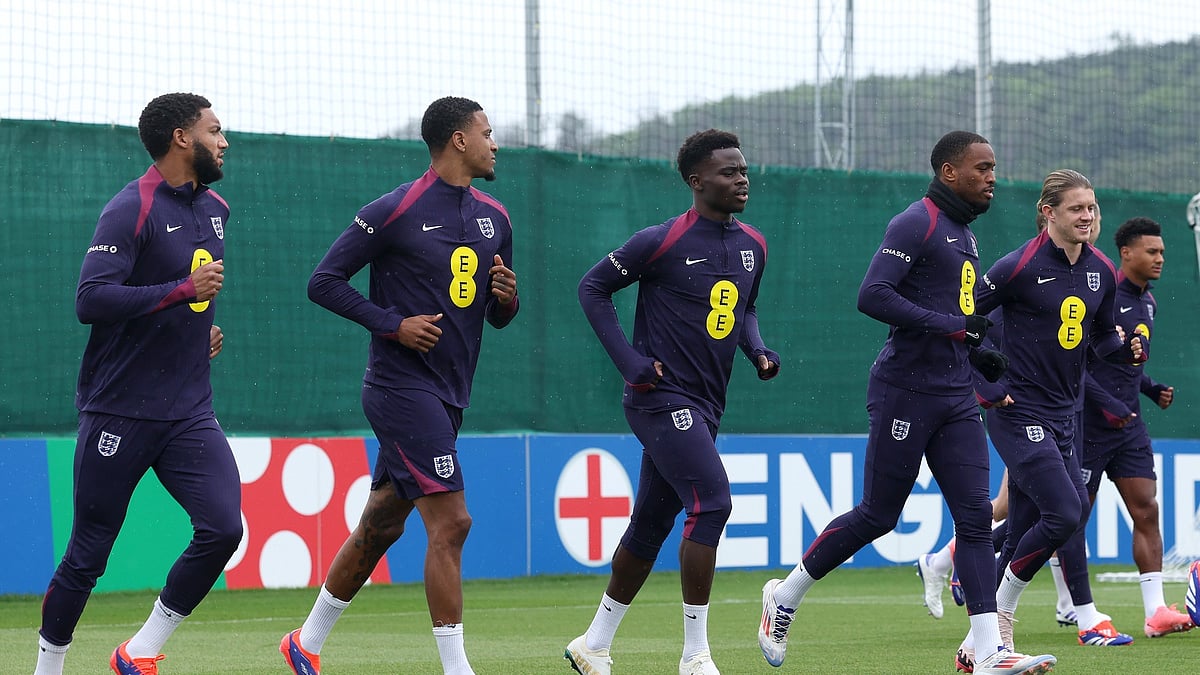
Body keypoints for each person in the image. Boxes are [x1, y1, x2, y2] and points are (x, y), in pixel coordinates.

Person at [756, 130, 1056, 675]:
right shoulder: (916, 222)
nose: (992, 177)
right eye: (982, 167)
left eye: (993, 167)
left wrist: (979, 351)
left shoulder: (964, 234)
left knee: (974, 518)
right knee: (878, 515)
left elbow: (954, 313)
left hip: (956, 396)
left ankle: (988, 651)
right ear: (948, 172)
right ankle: (785, 595)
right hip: (904, 392)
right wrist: (954, 328)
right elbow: (872, 295)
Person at [280, 96, 519, 675]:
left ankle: (304, 643)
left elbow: (498, 316)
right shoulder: (395, 208)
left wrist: (507, 301)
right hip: (399, 388)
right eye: (486, 132)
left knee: (383, 523)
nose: (494, 144)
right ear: (458, 140)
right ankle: (457, 669)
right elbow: (323, 282)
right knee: (453, 522)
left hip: (450, 392)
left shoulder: (496, 216)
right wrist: (393, 325)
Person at [33, 93, 238, 675]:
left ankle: (140, 651)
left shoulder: (218, 208)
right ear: (181, 138)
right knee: (87, 556)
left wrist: (196, 329)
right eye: (215, 130)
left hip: (189, 410)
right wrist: (182, 293)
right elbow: (91, 300)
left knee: (224, 529)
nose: (224, 141)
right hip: (120, 410)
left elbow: (183, 297)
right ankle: (48, 669)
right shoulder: (131, 207)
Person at [564, 129, 779, 675]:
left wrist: (756, 349)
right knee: (713, 503)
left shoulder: (753, 245)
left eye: (743, 170)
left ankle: (593, 644)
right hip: (658, 398)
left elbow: (744, 309)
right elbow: (592, 288)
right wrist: (630, 362)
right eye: (729, 172)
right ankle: (695, 655)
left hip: (707, 402)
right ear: (696, 180)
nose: (742, 179)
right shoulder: (661, 240)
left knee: (650, 525)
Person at [954, 169, 1145, 665]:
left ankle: (976, 649)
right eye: (1076, 208)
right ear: (1048, 212)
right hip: (1018, 411)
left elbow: (1099, 339)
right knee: (1066, 511)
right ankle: (1001, 615)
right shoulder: (1017, 265)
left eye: (1091, 207)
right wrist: (986, 386)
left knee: (1022, 530)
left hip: (1066, 415)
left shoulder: (1102, 270)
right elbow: (966, 322)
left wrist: (1126, 349)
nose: (1087, 216)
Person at [1080, 216, 1193, 638]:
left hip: (1128, 426)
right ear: (1126, 253)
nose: (1160, 258)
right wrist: (1106, 404)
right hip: (1087, 425)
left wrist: (1151, 388)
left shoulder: (1149, 303)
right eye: (1152, 251)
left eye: (1162, 251)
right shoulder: (1101, 297)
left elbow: (1127, 365)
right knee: (1066, 518)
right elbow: (1077, 365)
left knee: (1146, 508)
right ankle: (974, 564)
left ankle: (1155, 611)